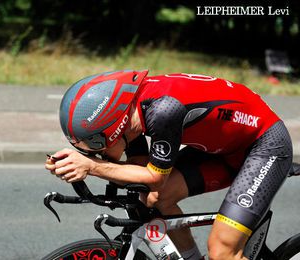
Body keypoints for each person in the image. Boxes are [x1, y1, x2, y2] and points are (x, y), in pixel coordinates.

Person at [45, 70, 293, 260]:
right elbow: (139, 176)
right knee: (155, 199)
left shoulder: (163, 111)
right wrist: (82, 167)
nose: (97, 152)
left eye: (95, 145)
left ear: (113, 130)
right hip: (222, 149)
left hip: (263, 146)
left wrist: (91, 166)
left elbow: (153, 177)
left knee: (222, 250)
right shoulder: (129, 116)